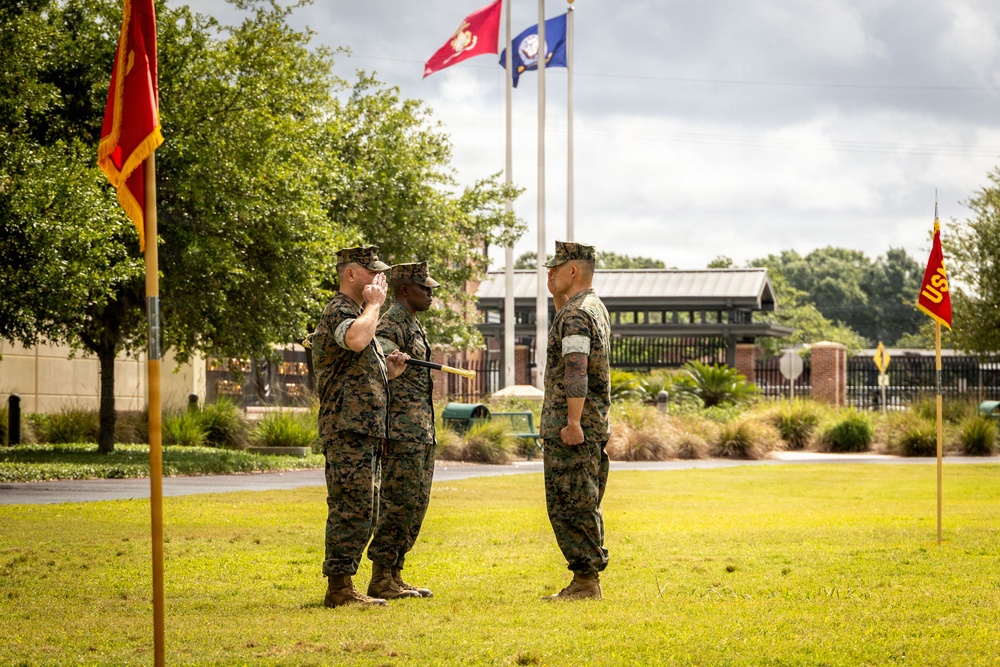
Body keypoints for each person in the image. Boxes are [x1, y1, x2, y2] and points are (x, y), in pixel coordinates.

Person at [311, 245, 410, 608]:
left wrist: (390, 371)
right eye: (372, 272)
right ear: (350, 274)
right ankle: (339, 588)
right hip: (346, 426)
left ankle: (344, 585)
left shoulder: (357, 313)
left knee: (365, 506)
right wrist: (375, 305)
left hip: (363, 427)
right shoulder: (340, 310)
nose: (379, 278)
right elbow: (354, 340)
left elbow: (358, 368)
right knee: (350, 505)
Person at [540, 241, 612, 601]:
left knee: (572, 504)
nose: (551, 274)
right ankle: (585, 579)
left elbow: (576, 369)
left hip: (573, 428)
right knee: (582, 499)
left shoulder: (576, 315)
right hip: (593, 424)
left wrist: (572, 422)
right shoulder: (590, 307)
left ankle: (585, 581)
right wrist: (557, 297)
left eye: (556, 268)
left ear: (572, 270)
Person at [366, 262, 441, 600]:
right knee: (398, 503)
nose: (430, 293)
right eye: (425, 287)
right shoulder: (390, 324)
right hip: (400, 432)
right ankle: (381, 576)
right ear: (405, 290)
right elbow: (379, 368)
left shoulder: (412, 323)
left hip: (420, 430)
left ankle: (395, 573)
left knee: (415, 504)